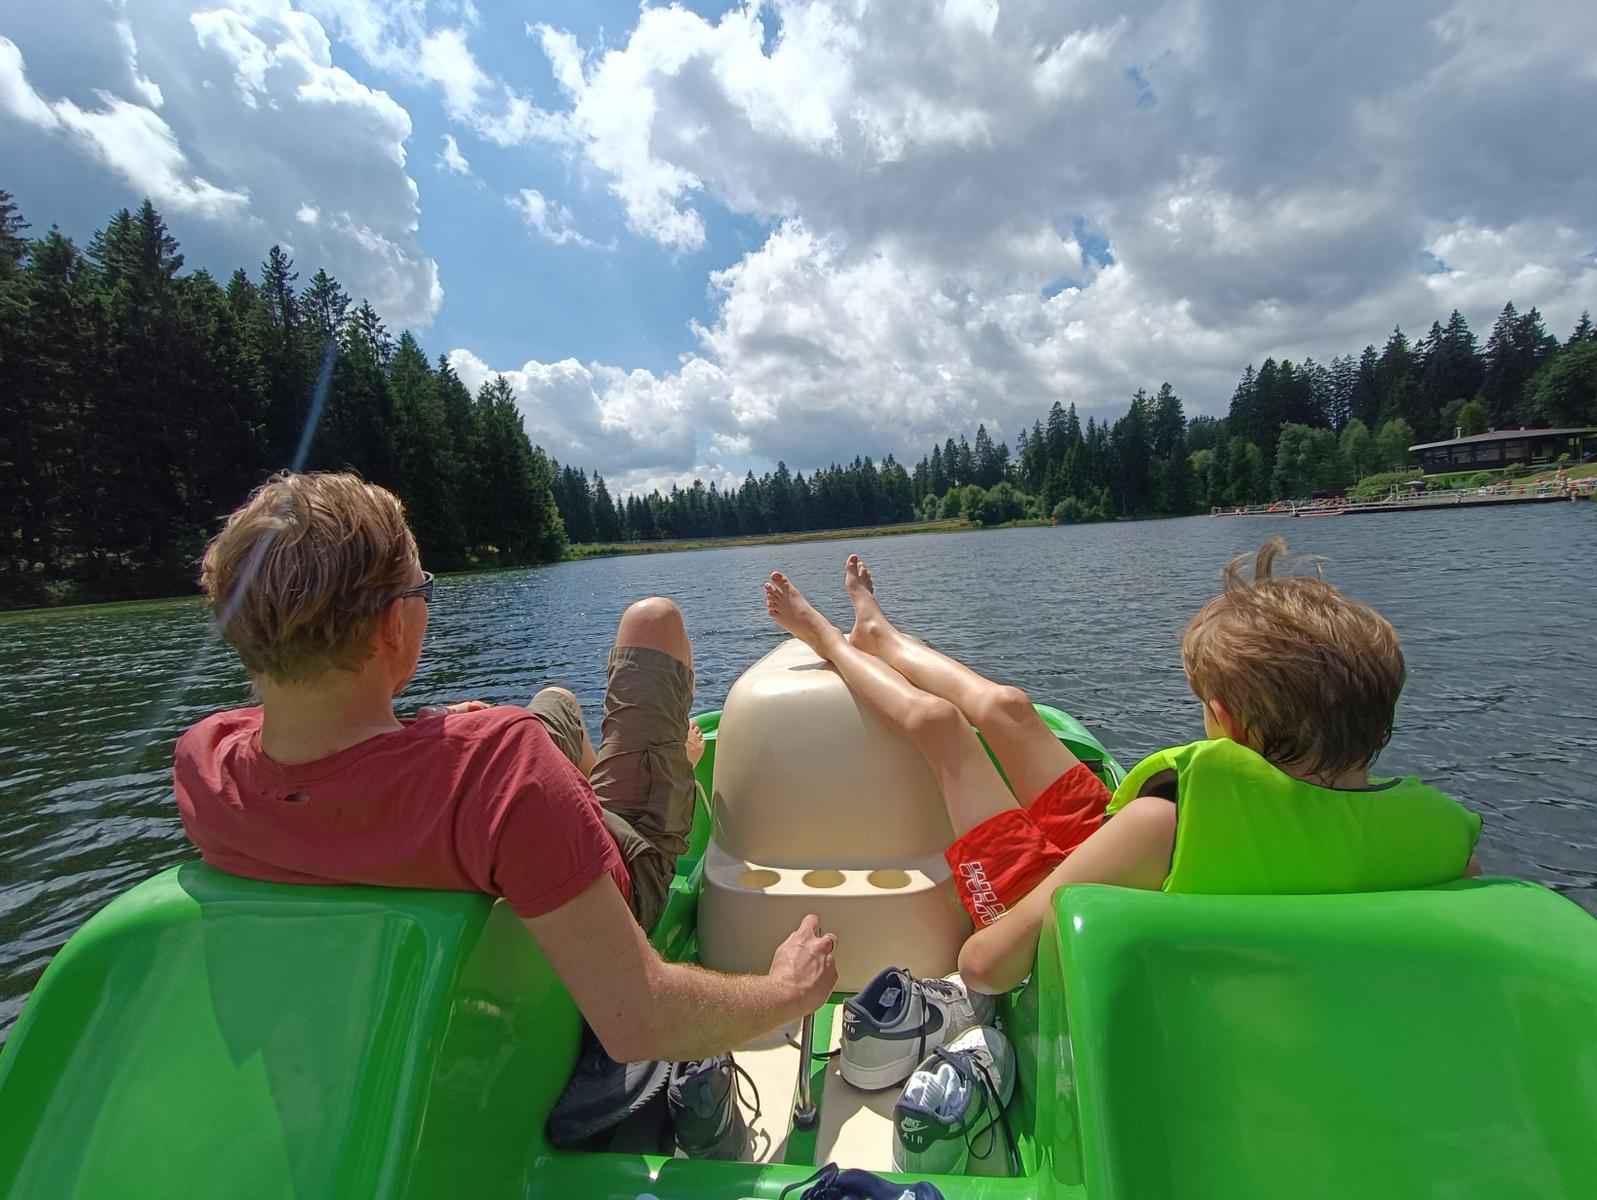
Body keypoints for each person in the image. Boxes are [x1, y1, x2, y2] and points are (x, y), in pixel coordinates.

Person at [175, 471, 836, 1069]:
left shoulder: (205, 764)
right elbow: (641, 1021)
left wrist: (429, 729)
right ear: (388, 628)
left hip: (513, 826)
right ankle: (657, 778)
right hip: (617, 866)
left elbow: (344, 792)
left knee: (553, 703)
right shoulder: (497, 763)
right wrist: (786, 990)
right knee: (653, 621)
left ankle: (587, 776)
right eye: (420, 588)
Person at [763, 540, 1481, 996]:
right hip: (1131, 861)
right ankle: (878, 634)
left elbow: (985, 967)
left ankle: (827, 638)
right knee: (1009, 708)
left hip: (1083, 898)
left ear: (1224, 720)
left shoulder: (1163, 821)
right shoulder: (1449, 846)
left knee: (937, 726)